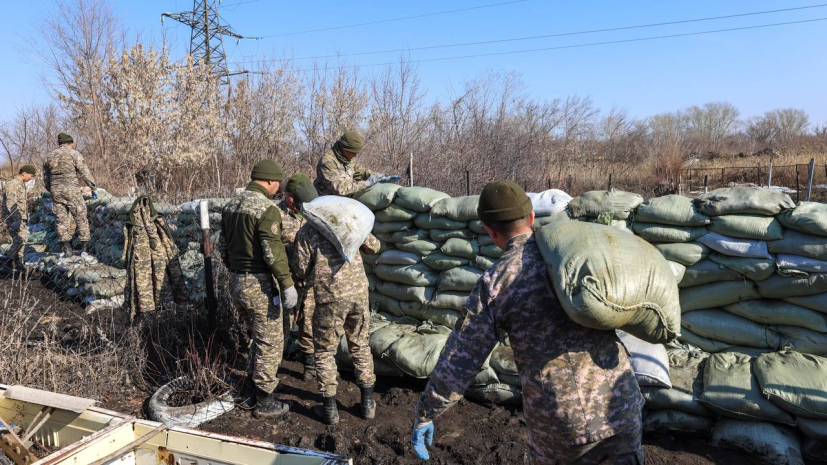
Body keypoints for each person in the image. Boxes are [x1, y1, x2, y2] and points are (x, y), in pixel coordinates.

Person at [411, 180, 644, 464]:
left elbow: (460, 360)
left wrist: (426, 412)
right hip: (621, 408)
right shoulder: (578, 252)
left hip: (562, 426)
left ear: (489, 231)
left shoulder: (496, 282)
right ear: (532, 217)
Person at [219, 159, 299, 419]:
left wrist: (235, 269)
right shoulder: (266, 209)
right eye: (277, 184)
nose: (278, 189)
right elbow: (272, 252)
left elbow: (222, 246)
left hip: (235, 281)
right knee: (270, 342)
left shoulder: (231, 205)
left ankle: (250, 391)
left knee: (256, 336)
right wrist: (286, 284)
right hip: (260, 285)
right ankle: (265, 400)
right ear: (268, 181)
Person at [292, 209, 380, 424]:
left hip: (330, 297)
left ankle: (330, 409)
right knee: (360, 344)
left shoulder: (307, 232)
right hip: (358, 293)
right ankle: (368, 403)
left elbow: (300, 269)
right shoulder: (350, 223)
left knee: (324, 351)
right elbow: (374, 247)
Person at [276, 173, 319, 380]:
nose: (290, 200)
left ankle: (309, 364)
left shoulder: (313, 213)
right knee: (283, 322)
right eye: (288, 195)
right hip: (287, 280)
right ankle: (273, 366)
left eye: (294, 196)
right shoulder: (276, 213)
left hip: (310, 281)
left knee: (309, 322)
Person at [43, 133, 97, 256]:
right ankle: (84, 247)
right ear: (71, 143)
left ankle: (66, 247)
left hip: (56, 192)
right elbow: (84, 172)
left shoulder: (49, 157)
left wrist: (52, 189)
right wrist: (93, 187)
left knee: (61, 219)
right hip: (72, 190)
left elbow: (46, 178)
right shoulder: (74, 154)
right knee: (80, 216)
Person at [314, 131, 399, 197]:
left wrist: (378, 176)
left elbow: (360, 172)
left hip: (344, 201)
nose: (355, 155)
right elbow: (340, 189)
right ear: (344, 148)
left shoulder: (348, 159)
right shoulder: (327, 162)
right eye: (352, 152)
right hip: (326, 202)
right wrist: (367, 183)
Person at [2, 165, 36, 269]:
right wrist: (17, 220)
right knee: (21, 238)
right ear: (24, 173)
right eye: (31, 175)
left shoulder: (21, 184)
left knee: (22, 238)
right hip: (13, 218)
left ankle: (17, 261)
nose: (31, 178)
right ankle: (8, 259)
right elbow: (11, 203)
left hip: (20, 218)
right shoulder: (13, 184)